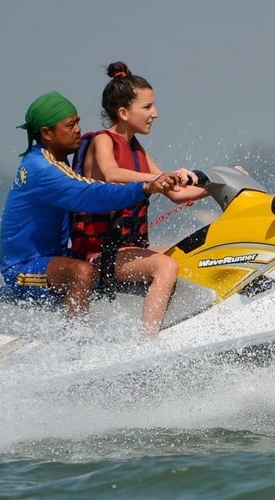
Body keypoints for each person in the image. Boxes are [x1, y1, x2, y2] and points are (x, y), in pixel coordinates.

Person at [0, 90, 179, 322]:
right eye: (70, 125)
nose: (78, 130)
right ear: (47, 133)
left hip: (59, 257)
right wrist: (144, 187)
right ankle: (77, 341)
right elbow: (91, 194)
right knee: (81, 272)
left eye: (78, 122)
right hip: (22, 268)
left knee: (170, 252)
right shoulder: (43, 169)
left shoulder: (53, 159)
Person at [70, 61, 209, 338]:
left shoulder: (137, 150)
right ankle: (148, 343)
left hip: (127, 251)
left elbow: (176, 194)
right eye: (147, 107)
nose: (155, 113)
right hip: (102, 254)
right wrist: (158, 179)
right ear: (124, 112)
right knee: (166, 265)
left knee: (187, 256)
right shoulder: (103, 141)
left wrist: (216, 184)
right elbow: (111, 173)